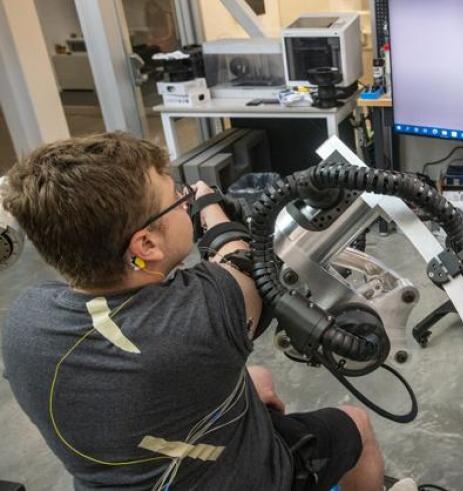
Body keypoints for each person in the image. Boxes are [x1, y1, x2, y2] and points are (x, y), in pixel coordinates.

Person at [1, 132, 386, 491]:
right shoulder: (201, 317)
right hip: (243, 479)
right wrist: (210, 206)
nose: (185, 201)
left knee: (259, 378)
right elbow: (240, 258)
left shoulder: (23, 320)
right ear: (146, 243)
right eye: (176, 198)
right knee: (356, 424)